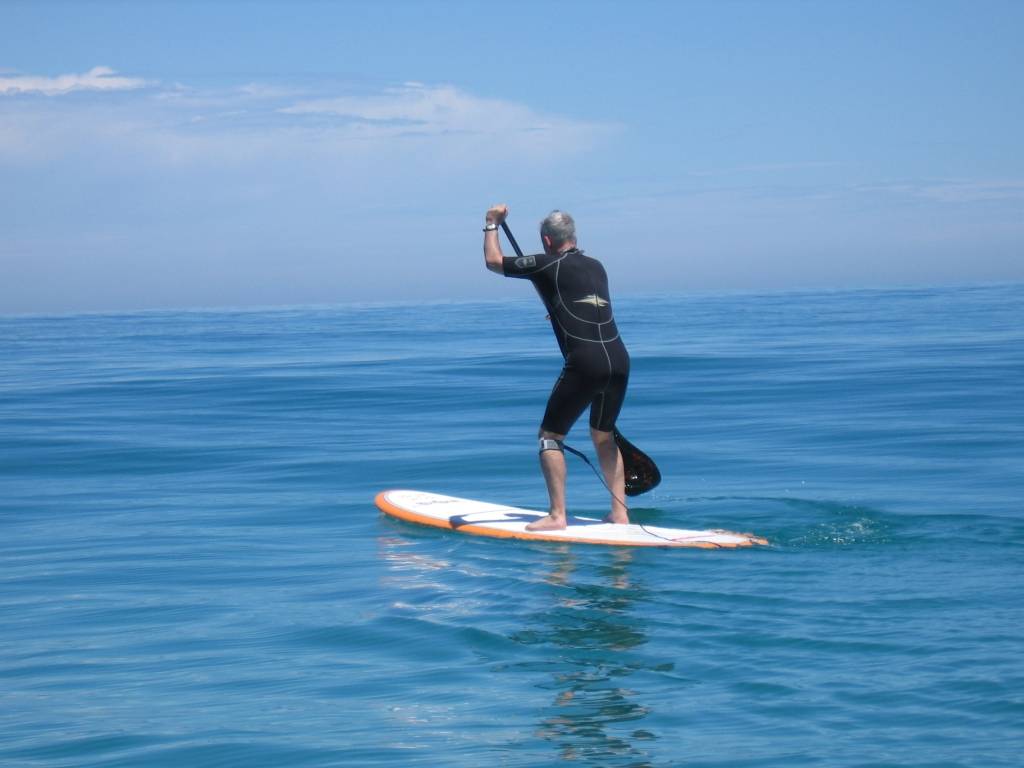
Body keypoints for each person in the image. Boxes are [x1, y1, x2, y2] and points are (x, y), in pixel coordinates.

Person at [482, 204, 630, 531]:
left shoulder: (546, 263)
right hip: (619, 359)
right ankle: (620, 514)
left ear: (547, 241)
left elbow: (494, 261)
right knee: (603, 435)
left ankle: (557, 515)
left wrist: (492, 223)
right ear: (573, 236)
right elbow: (579, 300)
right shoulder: (597, 266)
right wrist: (557, 307)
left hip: (586, 363)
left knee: (550, 437)